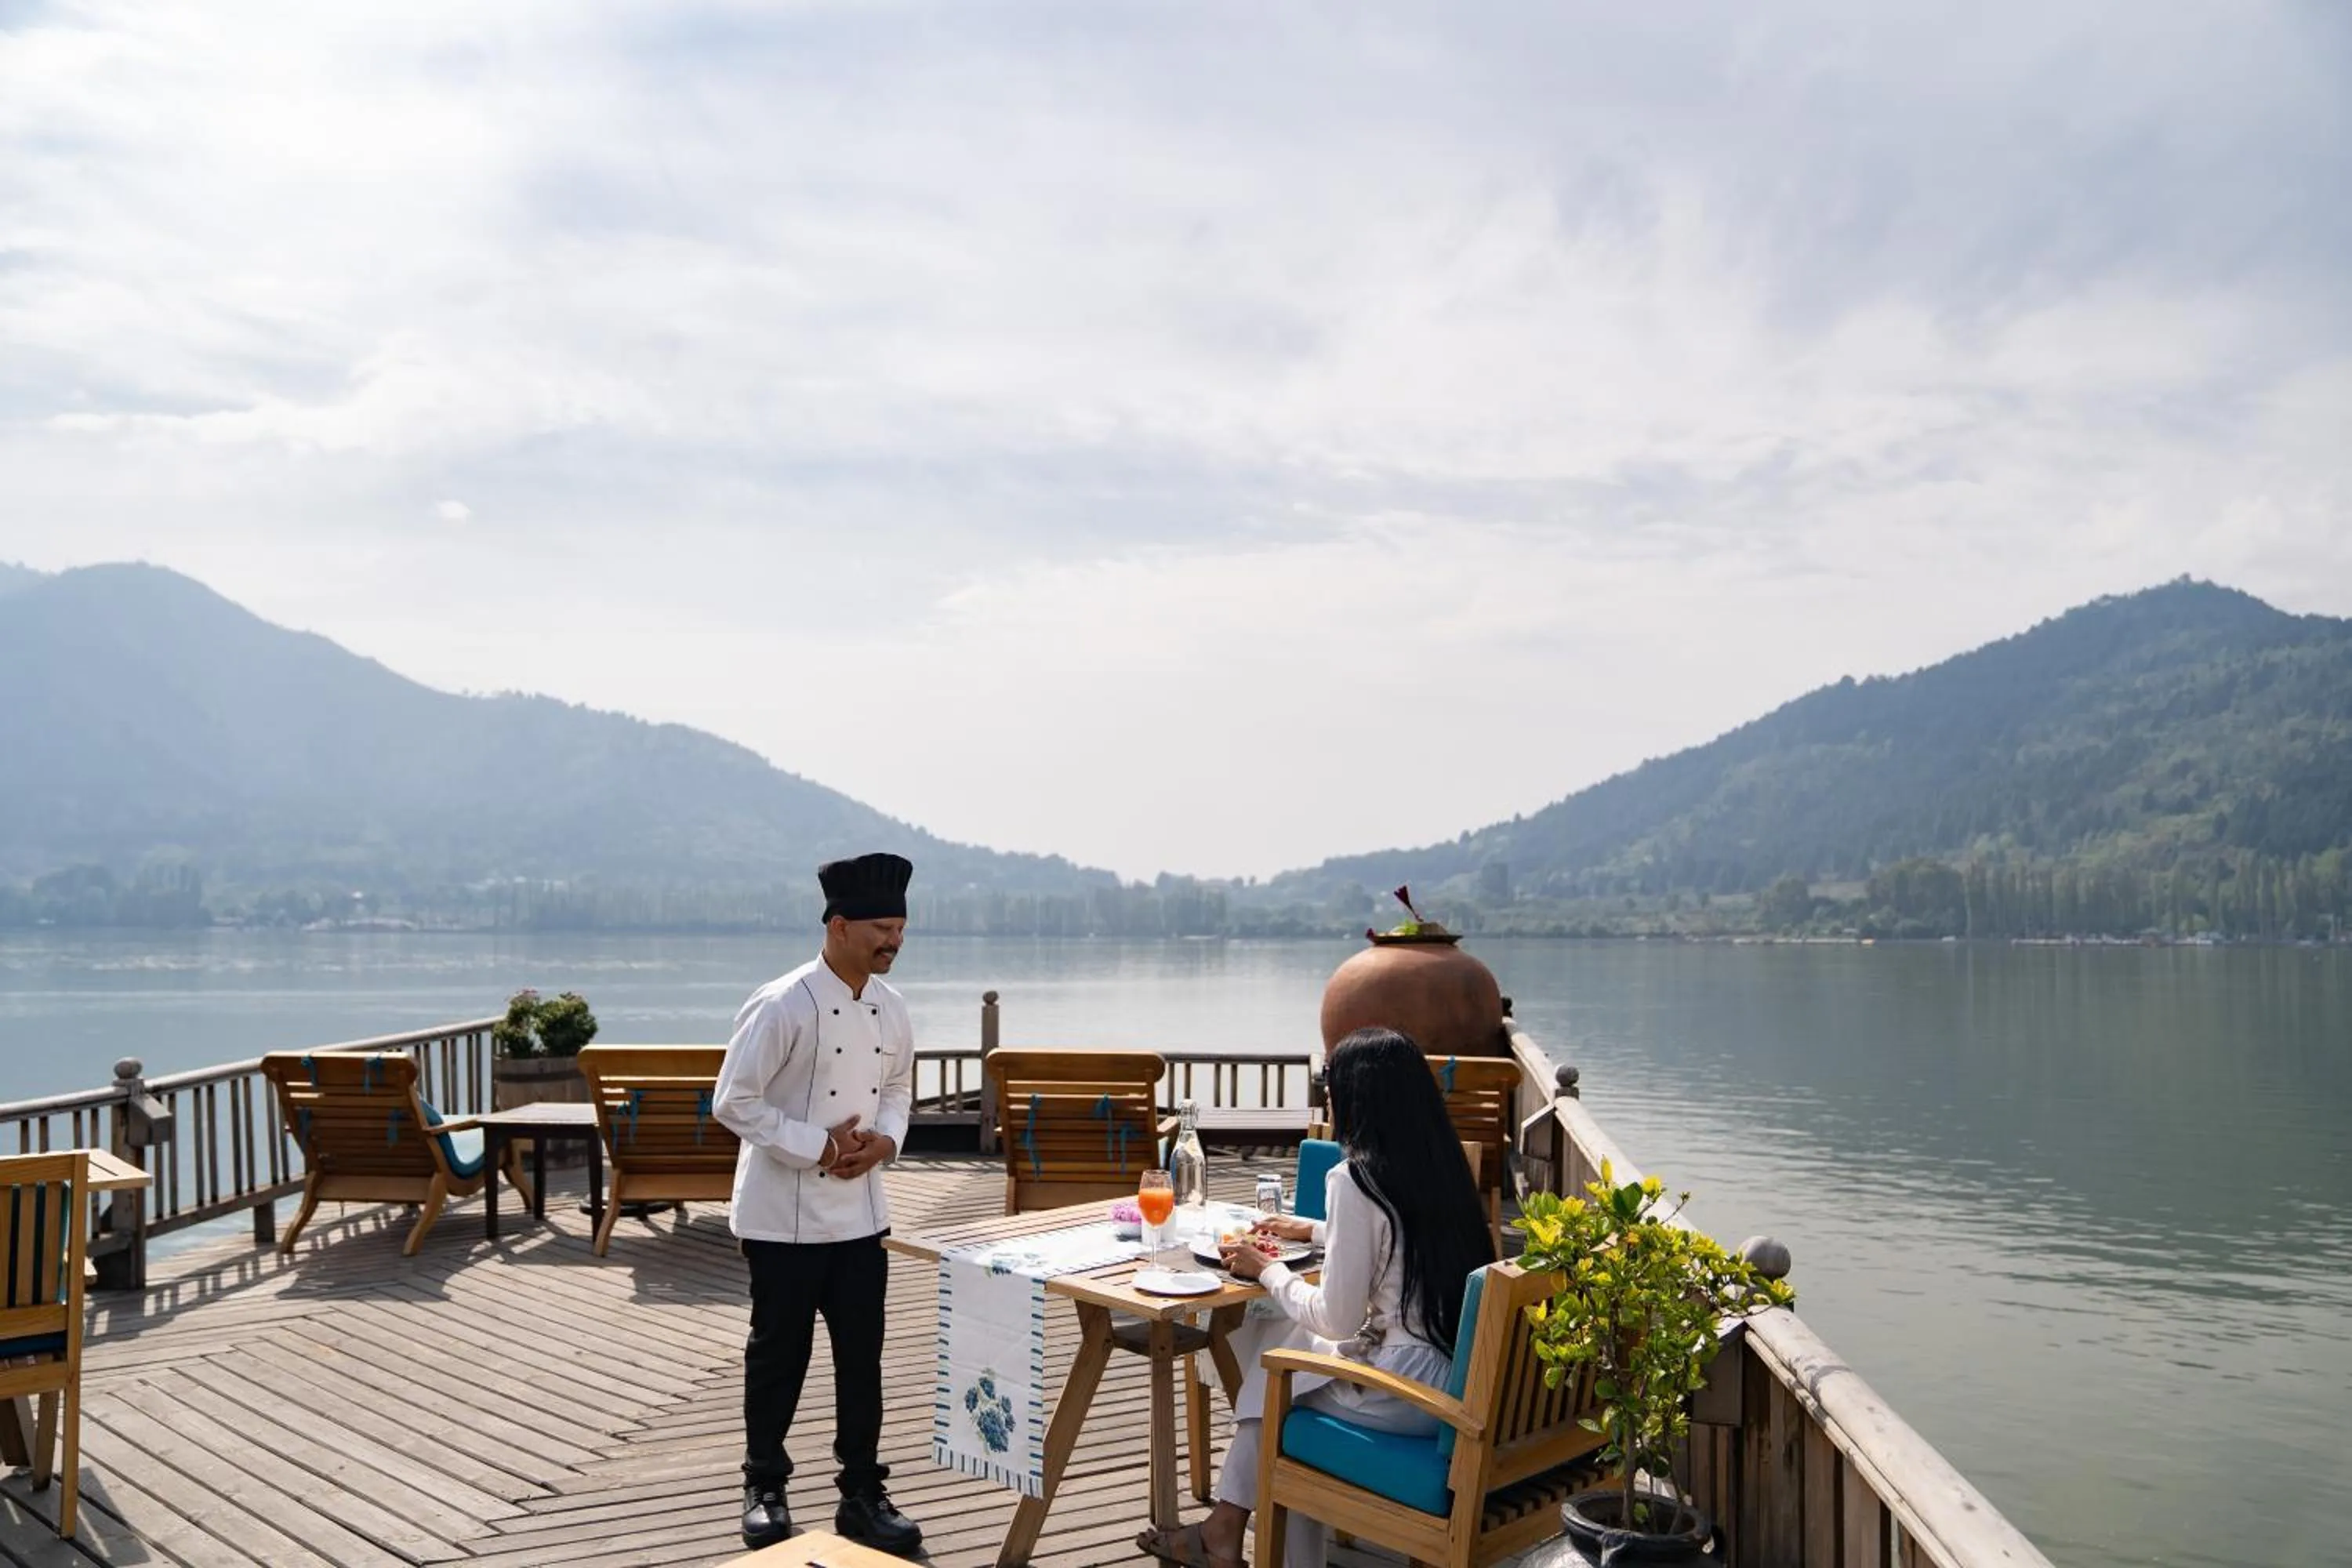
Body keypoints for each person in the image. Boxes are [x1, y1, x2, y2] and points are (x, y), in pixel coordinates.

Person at [1137, 1026, 1497, 1568]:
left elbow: (1335, 1317)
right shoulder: (1440, 1167)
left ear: (1357, 1097)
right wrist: (1314, 1231)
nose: (1327, 1098)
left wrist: (1269, 1269)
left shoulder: (1354, 1179)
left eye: (1330, 1086)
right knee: (1282, 1349)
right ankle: (1225, 1532)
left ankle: (1228, 1534)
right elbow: (1402, 1239)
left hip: (1406, 1397)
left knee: (1278, 1382)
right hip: (1452, 1379)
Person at [713, 851, 924, 1555]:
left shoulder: (892, 1009)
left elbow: (896, 1090)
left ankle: (862, 1495)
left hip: (863, 1215)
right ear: (838, 925)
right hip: (783, 1217)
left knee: (863, 1358)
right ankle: (764, 1487)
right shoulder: (783, 1003)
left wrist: (884, 1145)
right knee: (779, 1355)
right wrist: (821, 1147)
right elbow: (732, 1102)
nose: (893, 941)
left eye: (899, 927)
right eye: (881, 929)